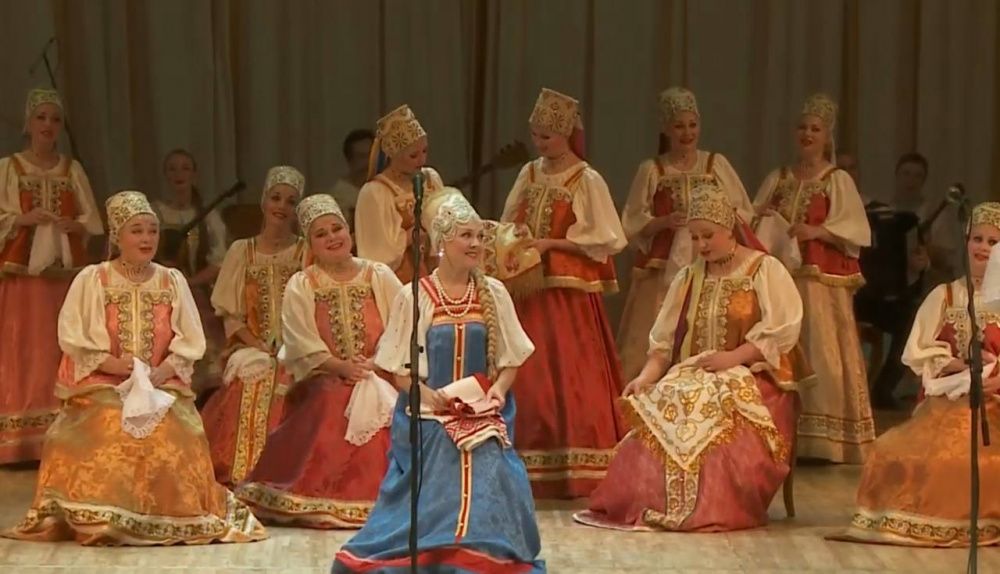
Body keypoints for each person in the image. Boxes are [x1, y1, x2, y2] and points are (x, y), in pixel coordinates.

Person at [2, 191, 265, 545]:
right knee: (107, 427)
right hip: (103, 382)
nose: (146, 238)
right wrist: (110, 363)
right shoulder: (94, 279)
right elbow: (74, 336)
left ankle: (167, 516)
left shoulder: (171, 280)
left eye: (152, 231)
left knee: (177, 434)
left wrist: (163, 371)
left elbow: (190, 340)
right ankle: (104, 516)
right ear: (117, 236)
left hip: (161, 383)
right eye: (136, 230)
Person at [575, 184, 807, 532]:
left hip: (754, 376)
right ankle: (656, 504)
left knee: (722, 433)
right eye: (695, 237)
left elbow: (782, 329)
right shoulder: (688, 276)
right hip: (693, 375)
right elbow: (664, 343)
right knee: (656, 418)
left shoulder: (764, 270)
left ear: (729, 228)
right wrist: (645, 378)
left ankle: (708, 508)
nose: (701, 245)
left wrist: (733, 358)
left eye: (708, 236)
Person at [332, 193, 545, 572]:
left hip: (483, 410)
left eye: (480, 236)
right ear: (442, 242)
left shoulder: (494, 293)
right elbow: (400, 371)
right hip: (427, 408)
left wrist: (498, 392)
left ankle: (484, 551)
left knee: (487, 455)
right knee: (444, 451)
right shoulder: (415, 296)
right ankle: (438, 547)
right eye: (466, 236)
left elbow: (511, 359)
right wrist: (434, 400)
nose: (476, 244)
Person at [833, 201, 1000, 547]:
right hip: (950, 399)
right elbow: (918, 350)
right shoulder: (945, 295)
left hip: (994, 402)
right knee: (891, 450)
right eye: (977, 239)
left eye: (993, 241)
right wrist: (954, 364)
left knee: (972, 460)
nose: (983, 247)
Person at [237, 194, 401, 528]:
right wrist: (340, 367)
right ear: (310, 243)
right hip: (327, 376)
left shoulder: (378, 274)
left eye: (336, 228)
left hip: (379, 372)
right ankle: (327, 493)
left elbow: (403, 322)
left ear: (349, 231)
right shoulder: (304, 283)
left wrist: (374, 364)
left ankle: (390, 495)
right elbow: (300, 338)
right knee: (332, 402)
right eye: (321, 234)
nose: (332, 237)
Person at [500, 88, 627, 498]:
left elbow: (604, 237)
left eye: (548, 136)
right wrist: (518, 238)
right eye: (536, 135)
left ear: (568, 134)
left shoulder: (585, 179)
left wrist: (551, 244)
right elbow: (509, 220)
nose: (540, 143)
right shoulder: (529, 173)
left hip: (566, 293)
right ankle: (528, 463)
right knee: (531, 372)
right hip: (530, 289)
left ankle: (578, 461)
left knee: (571, 370)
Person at [753, 93, 874, 463]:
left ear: (826, 136)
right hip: (782, 278)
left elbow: (856, 229)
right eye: (803, 127)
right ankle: (781, 431)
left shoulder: (836, 180)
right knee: (784, 343)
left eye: (815, 129)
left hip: (820, 281)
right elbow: (753, 218)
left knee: (821, 345)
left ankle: (826, 437)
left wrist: (817, 232)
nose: (808, 134)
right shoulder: (779, 178)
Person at [618, 87, 754, 383]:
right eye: (679, 126)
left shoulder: (715, 165)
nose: (687, 132)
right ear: (667, 129)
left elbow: (741, 211)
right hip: (661, 270)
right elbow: (631, 222)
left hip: (712, 266)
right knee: (656, 333)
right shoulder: (653, 169)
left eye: (693, 125)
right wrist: (664, 222)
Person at [0, 88, 103, 463]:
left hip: (62, 278)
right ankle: (19, 438)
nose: (48, 125)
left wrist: (74, 225)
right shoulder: (9, 168)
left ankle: (61, 434)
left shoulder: (71, 169)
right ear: (28, 123)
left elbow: (93, 219)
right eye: (41, 117)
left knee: (59, 345)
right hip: (22, 279)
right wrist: (22, 219)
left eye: (55, 119)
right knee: (21, 348)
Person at [200, 166, 306, 486]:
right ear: (263, 201)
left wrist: (292, 344)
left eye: (290, 201)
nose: (281, 206)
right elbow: (230, 314)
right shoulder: (241, 251)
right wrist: (256, 343)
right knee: (254, 380)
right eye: (276, 198)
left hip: (297, 347)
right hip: (251, 344)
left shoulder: (305, 251)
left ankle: (283, 473)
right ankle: (244, 471)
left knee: (289, 380)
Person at [855, 153, 937, 408]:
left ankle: (883, 389)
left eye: (917, 176)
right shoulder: (876, 210)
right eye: (906, 174)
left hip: (902, 293)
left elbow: (947, 256)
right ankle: (852, 390)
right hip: (866, 292)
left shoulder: (930, 212)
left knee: (911, 322)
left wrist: (925, 259)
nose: (910, 180)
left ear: (924, 181)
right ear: (896, 176)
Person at [154, 148, 229, 391]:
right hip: (159, 292)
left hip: (197, 291)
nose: (179, 174)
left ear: (194, 175)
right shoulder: (155, 213)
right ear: (165, 174)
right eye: (173, 169)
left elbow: (220, 261)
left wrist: (190, 282)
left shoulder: (208, 216)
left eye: (185, 168)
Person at [354, 105, 444, 283]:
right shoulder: (375, 192)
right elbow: (375, 253)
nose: (422, 160)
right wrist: (409, 237)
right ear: (393, 155)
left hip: (436, 269)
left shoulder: (430, 178)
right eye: (413, 155)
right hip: (399, 280)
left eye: (424, 151)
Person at [327, 129, 374, 231]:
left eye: (371, 155)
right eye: (361, 157)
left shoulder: (386, 188)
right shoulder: (338, 196)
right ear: (349, 159)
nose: (368, 162)